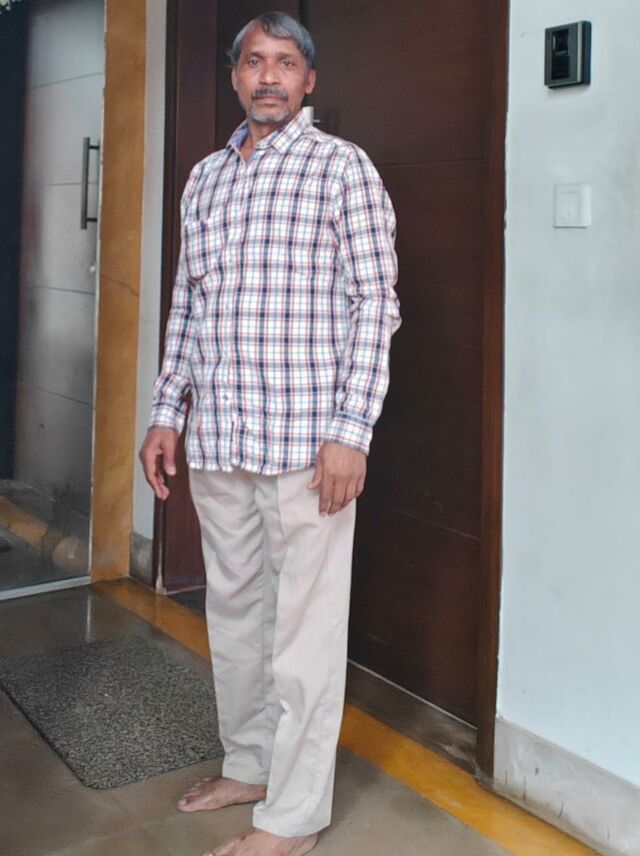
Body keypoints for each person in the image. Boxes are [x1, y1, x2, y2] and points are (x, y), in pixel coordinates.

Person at [140, 11, 400, 856]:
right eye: (255, 61)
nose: (269, 77)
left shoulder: (340, 168)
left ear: (309, 80)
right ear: (235, 75)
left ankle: (292, 816)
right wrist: (166, 412)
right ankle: (250, 766)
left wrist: (351, 431)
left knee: (304, 638)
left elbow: (376, 305)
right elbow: (189, 305)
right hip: (221, 441)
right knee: (237, 619)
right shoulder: (205, 179)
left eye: (286, 63)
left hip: (307, 449)